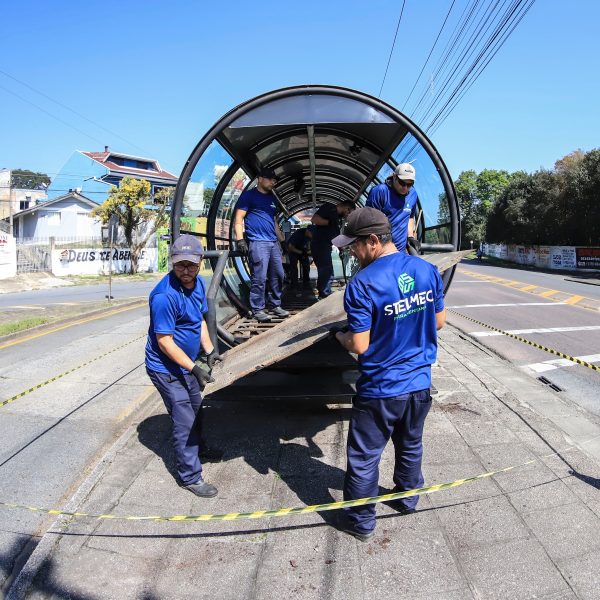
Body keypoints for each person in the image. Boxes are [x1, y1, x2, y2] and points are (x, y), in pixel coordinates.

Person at [329, 207, 446, 541]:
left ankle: (362, 522)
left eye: (354, 245)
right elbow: (438, 322)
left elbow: (360, 345)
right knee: (410, 445)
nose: (351, 251)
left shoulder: (363, 284)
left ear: (374, 241)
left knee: (365, 458)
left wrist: (339, 336)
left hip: (381, 389)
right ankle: (408, 499)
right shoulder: (426, 270)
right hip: (420, 384)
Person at [145, 234, 224, 498]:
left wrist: (210, 350)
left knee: (197, 407)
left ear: (201, 261)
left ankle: (199, 448)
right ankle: (189, 476)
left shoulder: (199, 284)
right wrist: (195, 368)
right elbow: (165, 342)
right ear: (172, 263)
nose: (186, 271)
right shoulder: (164, 297)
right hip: (165, 369)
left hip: (186, 364)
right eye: (180, 265)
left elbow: (198, 322)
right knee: (184, 419)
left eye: (191, 265)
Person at [234, 167, 289, 323]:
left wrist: (283, 241)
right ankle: (258, 308)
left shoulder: (271, 199)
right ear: (260, 178)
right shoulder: (248, 196)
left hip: (273, 242)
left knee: (279, 274)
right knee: (259, 277)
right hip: (257, 242)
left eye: (275, 180)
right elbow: (239, 219)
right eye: (271, 179)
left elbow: (274, 222)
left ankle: (275, 305)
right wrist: (240, 240)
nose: (273, 182)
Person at [365, 163, 419, 253]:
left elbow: (410, 217)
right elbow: (369, 222)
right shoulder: (380, 192)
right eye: (402, 183)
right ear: (394, 176)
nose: (405, 188)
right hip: (380, 251)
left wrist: (410, 237)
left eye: (410, 184)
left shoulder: (413, 194)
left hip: (400, 251)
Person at [310, 200, 355, 298]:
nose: (348, 215)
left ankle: (324, 292)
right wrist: (329, 222)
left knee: (328, 270)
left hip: (326, 246)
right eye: (349, 213)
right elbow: (314, 219)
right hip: (319, 244)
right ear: (347, 209)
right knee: (326, 269)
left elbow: (335, 236)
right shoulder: (329, 207)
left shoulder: (338, 219)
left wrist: (340, 248)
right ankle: (325, 294)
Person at [286, 225, 314, 290]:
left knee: (306, 265)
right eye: (312, 234)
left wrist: (309, 252)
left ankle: (306, 283)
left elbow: (310, 244)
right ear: (307, 231)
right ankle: (294, 285)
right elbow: (290, 247)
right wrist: (301, 252)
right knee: (294, 267)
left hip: (301, 248)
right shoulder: (298, 234)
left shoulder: (310, 235)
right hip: (292, 249)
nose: (313, 235)